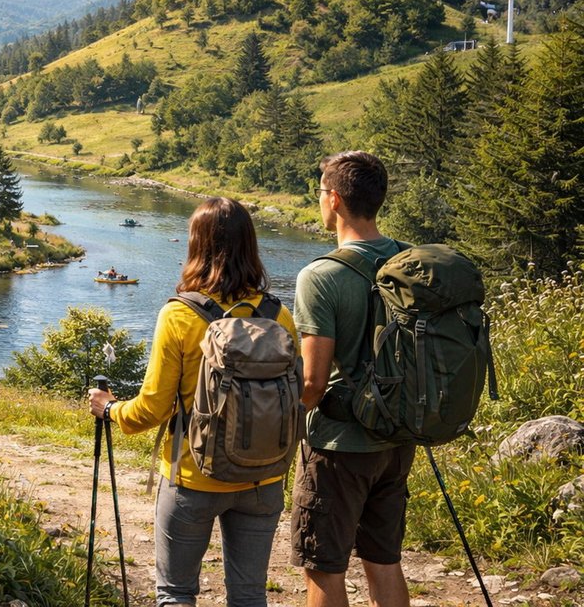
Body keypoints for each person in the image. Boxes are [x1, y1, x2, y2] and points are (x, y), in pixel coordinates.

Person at [88, 197, 298, 607]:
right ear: (250, 245)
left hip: (192, 478)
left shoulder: (180, 315)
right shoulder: (279, 315)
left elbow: (151, 408)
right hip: (264, 479)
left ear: (196, 246)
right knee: (250, 593)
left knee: (176, 592)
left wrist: (110, 409)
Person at [291, 151, 414, 607]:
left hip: (339, 448)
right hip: (398, 438)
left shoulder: (320, 276)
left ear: (335, 199)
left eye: (321, 192)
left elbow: (313, 384)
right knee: (384, 562)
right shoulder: (410, 261)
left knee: (323, 568)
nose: (320, 201)